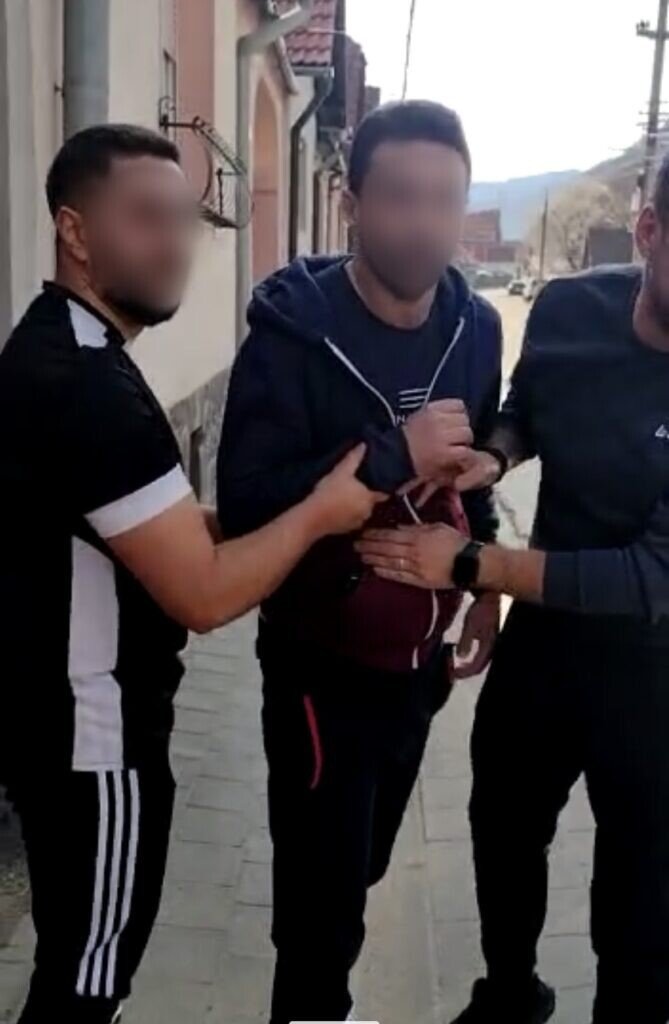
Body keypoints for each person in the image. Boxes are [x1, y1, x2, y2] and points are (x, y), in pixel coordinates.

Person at [0, 124, 379, 1024]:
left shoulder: (64, 346)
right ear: (74, 231)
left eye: (183, 220)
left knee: (79, 959)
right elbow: (202, 594)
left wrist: (270, 516)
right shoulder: (89, 388)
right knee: (87, 980)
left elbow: (147, 530)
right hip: (96, 739)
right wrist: (320, 513)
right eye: (145, 218)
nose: (173, 243)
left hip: (56, 725)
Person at [356, 154, 669, 1024]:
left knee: (640, 896)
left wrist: (471, 565)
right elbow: (529, 406)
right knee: (501, 826)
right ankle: (508, 995)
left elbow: (650, 575)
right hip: (547, 646)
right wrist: (494, 455)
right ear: (648, 232)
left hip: (654, 672)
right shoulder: (569, 310)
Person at [217, 100, 503, 1023]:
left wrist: (482, 580)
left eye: (444, 200)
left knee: (364, 861)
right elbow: (248, 503)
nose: (423, 223)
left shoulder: (474, 326)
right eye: (400, 197)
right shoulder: (292, 333)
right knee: (320, 912)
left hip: (415, 669)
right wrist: (387, 457)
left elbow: (469, 472)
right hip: (316, 669)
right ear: (351, 205)